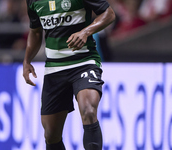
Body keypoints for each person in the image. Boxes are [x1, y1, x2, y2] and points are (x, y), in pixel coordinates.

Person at [23, 0, 115, 149]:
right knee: (51, 134)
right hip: (54, 68)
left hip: (84, 61)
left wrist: (85, 32)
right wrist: (27, 61)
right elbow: (35, 31)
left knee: (89, 110)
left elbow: (109, 14)